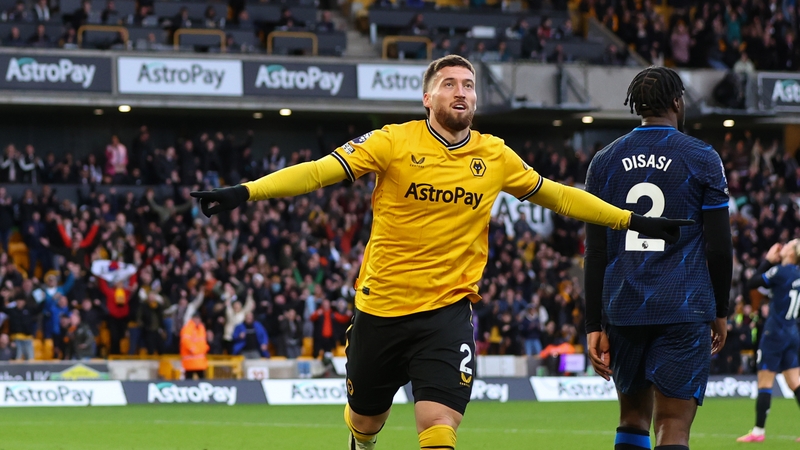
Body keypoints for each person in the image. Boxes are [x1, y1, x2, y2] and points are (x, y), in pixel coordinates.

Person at [191, 55, 690, 450]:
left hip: (448, 311)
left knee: (438, 428)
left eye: (469, 85)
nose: (462, 92)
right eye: (450, 83)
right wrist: (246, 191)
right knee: (366, 422)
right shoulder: (392, 142)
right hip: (381, 307)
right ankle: (361, 442)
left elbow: (558, 195)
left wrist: (632, 219)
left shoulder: (493, 155)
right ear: (427, 96)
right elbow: (319, 171)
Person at [583, 66, 733, 450]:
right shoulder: (702, 157)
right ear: (677, 102)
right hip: (684, 306)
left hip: (624, 308)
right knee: (673, 426)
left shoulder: (604, 161)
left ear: (638, 106)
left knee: (631, 420)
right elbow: (718, 245)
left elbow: (596, 251)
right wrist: (720, 310)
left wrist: (592, 323)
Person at [736, 241, 800, 443]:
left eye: (788, 245)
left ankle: (758, 431)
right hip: (793, 332)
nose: (783, 247)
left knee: (765, 382)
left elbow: (752, 283)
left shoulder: (780, 272)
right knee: (795, 382)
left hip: (775, 333)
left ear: (791, 253)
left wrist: (767, 261)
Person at [180, 311, 209, 379]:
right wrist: (193, 349)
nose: (197, 320)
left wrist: (205, 348)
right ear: (192, 318)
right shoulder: (188, 328)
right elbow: (185, 340)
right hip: (190, 361)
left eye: (198, 318)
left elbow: (202, 341)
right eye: (195, 318)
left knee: (202, 380)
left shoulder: (201, 328)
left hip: (200, 361)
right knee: (189, 381)